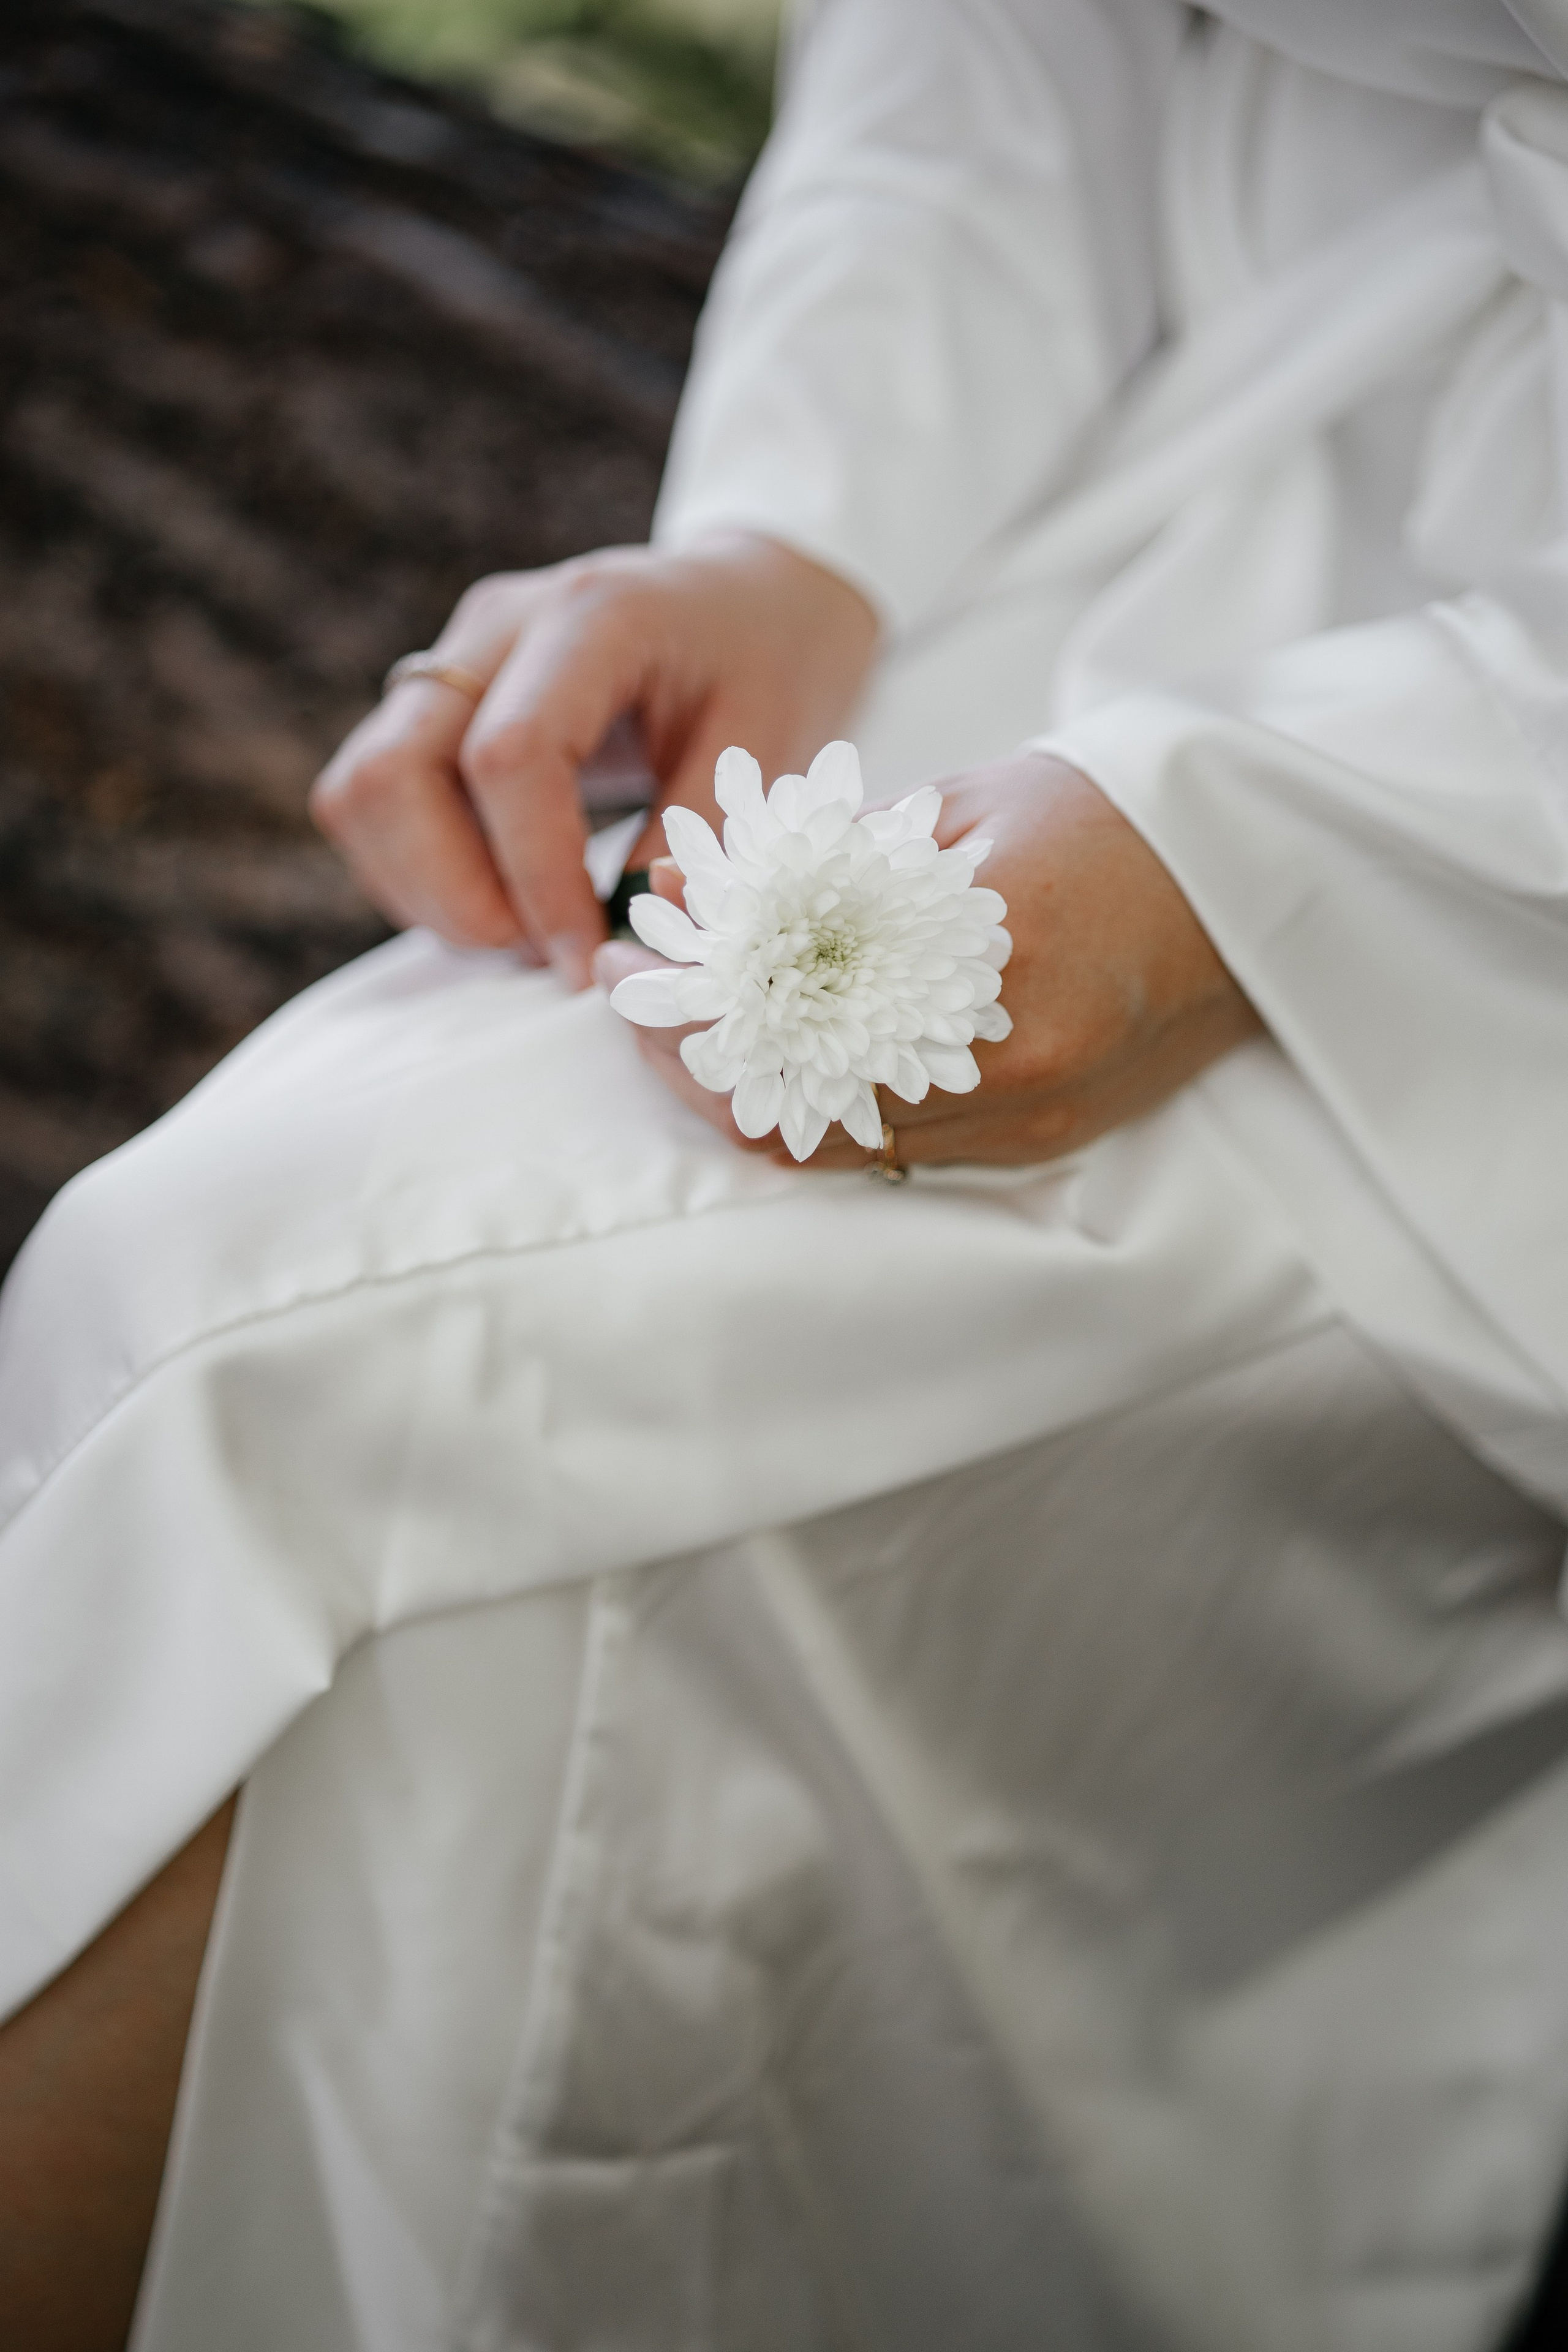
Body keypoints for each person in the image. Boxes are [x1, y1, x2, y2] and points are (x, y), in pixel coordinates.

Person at [3, 0, 1567, 2344]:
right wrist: (802, 524)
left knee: (312, 1365)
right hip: (1065, 525)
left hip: (1492, 851)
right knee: (244, 1305)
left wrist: (1262, 842)